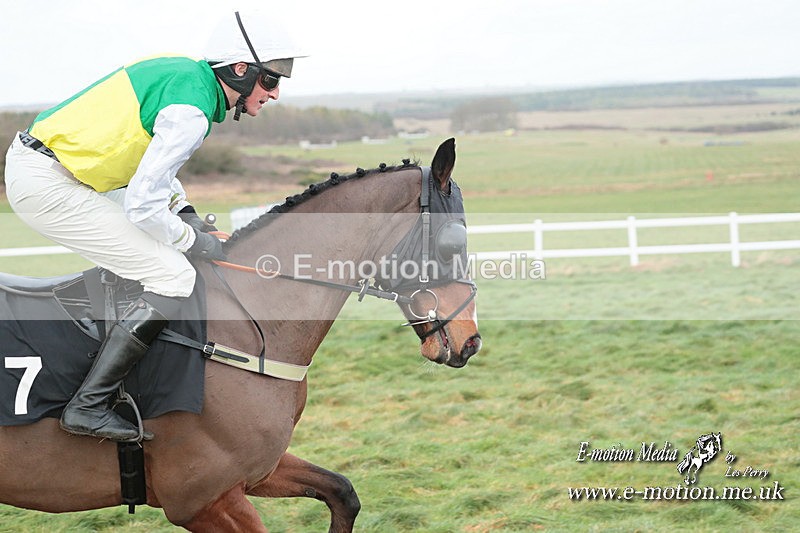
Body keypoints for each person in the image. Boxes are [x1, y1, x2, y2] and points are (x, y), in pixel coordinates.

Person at [2, 11, 306, 441]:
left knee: (166, 254)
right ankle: (89, 405)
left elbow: (149, 173)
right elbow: (144, 206)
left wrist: (185, 213)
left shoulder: (187, 79)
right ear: (241, 70)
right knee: (174, 274)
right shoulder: (192, 109)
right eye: (271, 80)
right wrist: (193, 240)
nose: (274, 93)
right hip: (50, 183)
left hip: (60, 170)